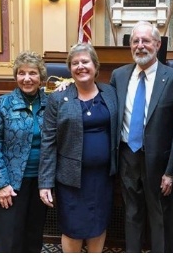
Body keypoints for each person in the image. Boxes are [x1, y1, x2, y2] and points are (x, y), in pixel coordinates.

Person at [110, 21, 173, 252]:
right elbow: (104, 99)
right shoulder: (119, 75)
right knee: (131, 212)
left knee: (160, 214)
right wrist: (68, 86)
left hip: (160, 162)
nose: (140, 46)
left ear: (157, 44)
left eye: (146, 41)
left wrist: (171, 171)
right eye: (135, 41)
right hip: (127, 155)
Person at [39, 43, 118, 253]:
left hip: (103, 177)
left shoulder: (110, 93)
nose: (80, 66)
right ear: (69, 69)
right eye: (75, 63)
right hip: (70, 179)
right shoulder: (58, 98)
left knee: (98, 224)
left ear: (95, 65)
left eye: (85, 62)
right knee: (73, 228)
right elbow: (48, 141)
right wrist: (45, 183)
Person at [0, 51, 48, 253]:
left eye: (32, 73)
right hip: (11, 183)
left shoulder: (51, 104)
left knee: (33, 236)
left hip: (41, 182)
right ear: (16, 76)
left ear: (41, 77)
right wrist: (1, 184)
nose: (27, 78)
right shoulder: (3, 103)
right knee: (9, 239)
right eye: (22, 73)